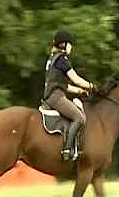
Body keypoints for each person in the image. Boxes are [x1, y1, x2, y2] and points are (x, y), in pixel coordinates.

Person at [42, 30, 97, 161]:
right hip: (56, 97)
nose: (71, 47)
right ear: (63, 44)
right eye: (70, 44)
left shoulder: (52, 59)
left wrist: (80, 91)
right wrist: (91, 86)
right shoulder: (62, 59)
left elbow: (63, 85)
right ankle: (67, 150)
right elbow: (76, 79)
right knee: (79, 117)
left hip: (53, 94)